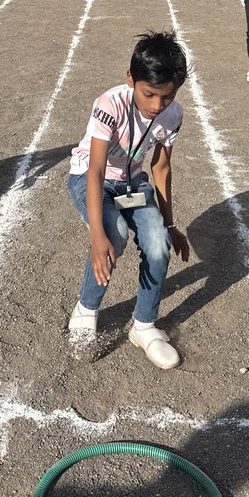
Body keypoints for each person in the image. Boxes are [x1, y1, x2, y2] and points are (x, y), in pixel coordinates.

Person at [67, 30, 190, 368]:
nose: (156, 106)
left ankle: (144, 324)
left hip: (133, 185)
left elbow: (161, 168)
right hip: (92, 180)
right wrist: (97, 236)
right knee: (114, 233)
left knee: (158, 242)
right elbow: (94, 170)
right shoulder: (110, 104)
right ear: (130, 79)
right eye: (149, 94)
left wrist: (170, 224)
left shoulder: (173, 114)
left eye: (166, 97)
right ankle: (86, 309)